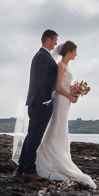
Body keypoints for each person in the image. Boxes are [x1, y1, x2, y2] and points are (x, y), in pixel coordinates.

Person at [34, 40, 97, 187]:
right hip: (61, 100)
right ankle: (51, 158)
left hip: (66, 101)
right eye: (75, 51)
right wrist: (70, 96)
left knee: (61, 127)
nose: (76, 54)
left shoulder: (68, 66)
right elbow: (57, 87)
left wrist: (78, 90)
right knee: (56, 125)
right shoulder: (60, 66)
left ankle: (59, 153)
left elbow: (67, 85)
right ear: (69, 52)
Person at [12, 29, 59, 181]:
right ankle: (29, 170)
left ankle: (21, 168)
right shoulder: (42, 56)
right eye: (55, 40)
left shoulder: (42, 56)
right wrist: (46, 100)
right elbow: (41, 81)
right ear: (48, 40)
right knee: (35, 137)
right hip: (40, 103)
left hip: (37, 102)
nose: (56, 43)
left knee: (32, 135)